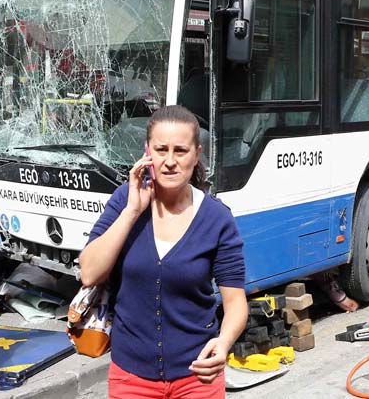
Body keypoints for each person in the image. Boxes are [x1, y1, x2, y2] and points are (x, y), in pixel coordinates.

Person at [79, 105, 247, 398]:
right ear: (148, 152)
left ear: (196, 155)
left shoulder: (217, 218)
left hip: (198, 376)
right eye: (161, 149)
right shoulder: (124, 200)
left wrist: (223, 343)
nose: (170, 161)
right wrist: (132, 211)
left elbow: (235, 303)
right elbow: (89, 272)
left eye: (180, 151)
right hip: (130, 378)